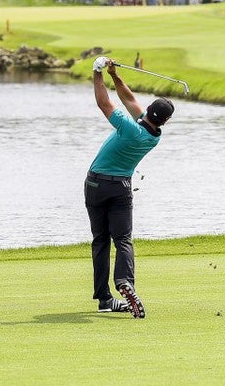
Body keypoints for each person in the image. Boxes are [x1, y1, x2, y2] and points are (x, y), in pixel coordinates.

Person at [86, 57, 174, 317]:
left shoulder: (128, 128)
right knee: (123, 239)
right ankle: (125, 281)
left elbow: (105, 103)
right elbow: (128, 100)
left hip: (95, 184)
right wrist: (114, 76)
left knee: (100, 241)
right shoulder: (153, 136)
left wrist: (97, 71)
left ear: (147, 111)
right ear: (164, 121)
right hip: (121, 188)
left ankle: (104, 298)